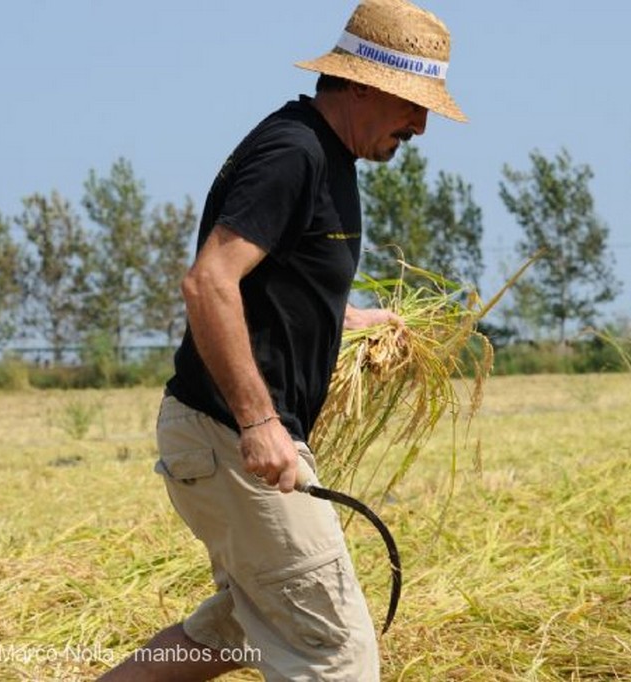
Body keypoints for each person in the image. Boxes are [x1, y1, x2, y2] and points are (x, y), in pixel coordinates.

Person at [98, 0, 465, 679]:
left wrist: (348, 319)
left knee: (237, 630)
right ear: (360, 84)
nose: (419, 124)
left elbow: (276, 280)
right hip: (232, 436)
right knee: (335, 652)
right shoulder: (293, 153)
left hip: (224, 436)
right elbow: (209, 282)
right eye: (412, 104)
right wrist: (260, 421)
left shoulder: (328, 157)